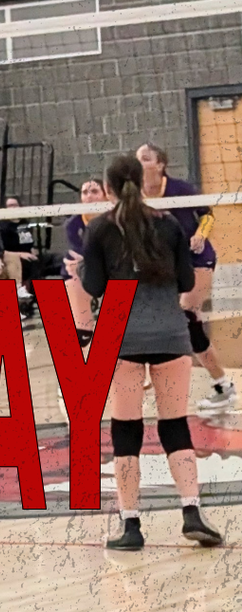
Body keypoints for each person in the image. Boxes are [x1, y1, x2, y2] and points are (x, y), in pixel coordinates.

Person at [81, 154, 223, 550]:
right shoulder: (169, 224)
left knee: (126, 431)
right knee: (174, 425)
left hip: (121, 334)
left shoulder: (100, 229)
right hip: (169, 332)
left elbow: (94, 286)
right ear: (143, 183)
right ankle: (191, 512)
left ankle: (131, 525)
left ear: (107, 188)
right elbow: (186, 281)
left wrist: (84, 272)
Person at [136, 143, 236, 413]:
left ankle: (223, 387)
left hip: (197, 258)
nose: (140, 163)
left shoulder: (180, 188)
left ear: (160, 164)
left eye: (145, 158)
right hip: (165, 264)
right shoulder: (135, 195)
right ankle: (217, 384)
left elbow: (207, 215)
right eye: (137, 159)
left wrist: (201, 234)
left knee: (187, 317)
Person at [61, 178, 107, 347]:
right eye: (85, 192)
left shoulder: (114, 218)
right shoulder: (72, 224)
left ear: (106, 195)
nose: (89, 196)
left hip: (110, 264)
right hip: (85, 266)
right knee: (70, 269)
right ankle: (83, 326)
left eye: (94, 191)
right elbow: (77, 252)